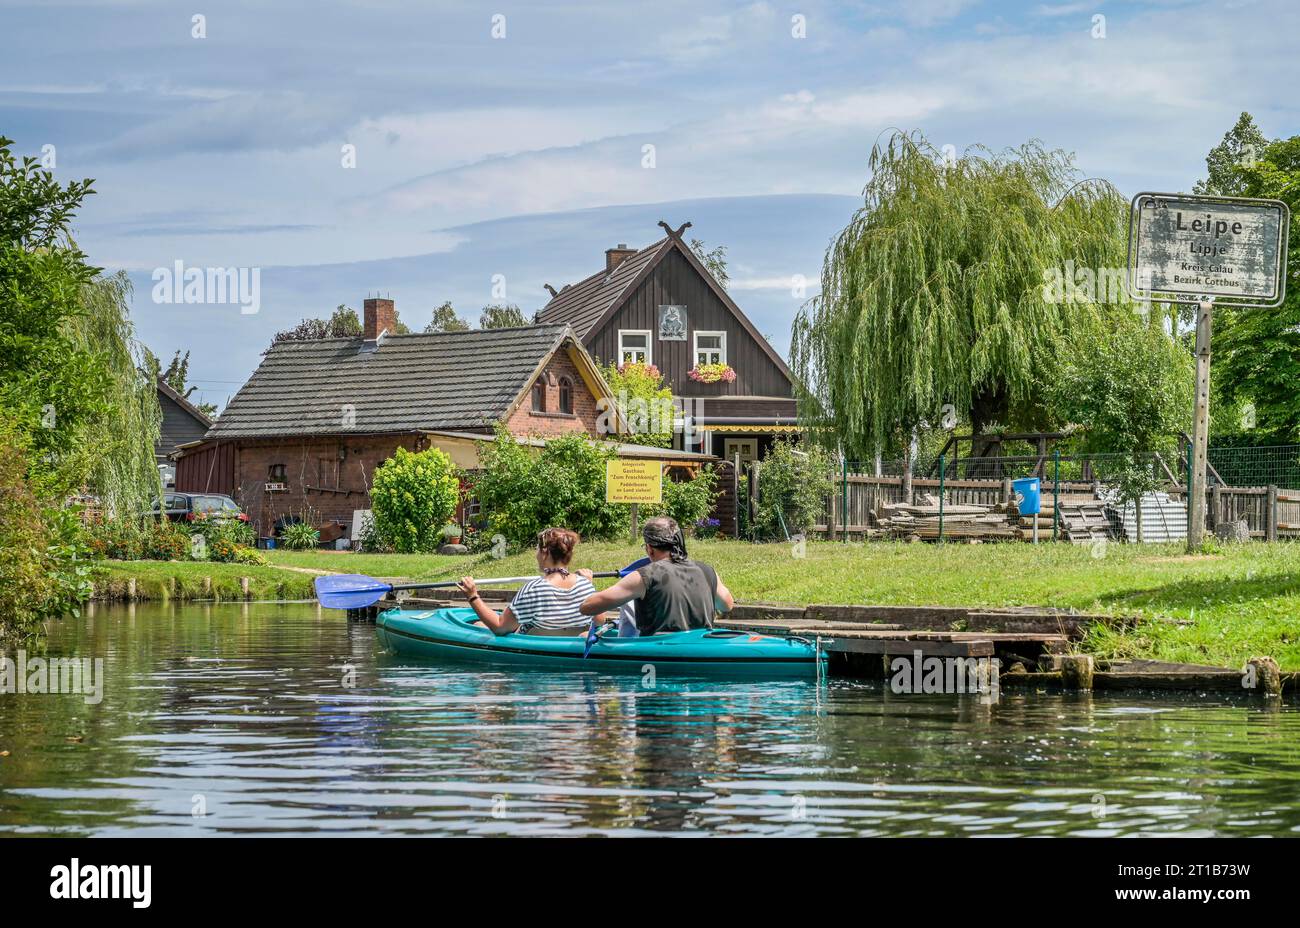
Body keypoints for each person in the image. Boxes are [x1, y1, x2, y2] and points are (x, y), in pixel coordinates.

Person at [579, 516, 733, 635]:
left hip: (658, 654)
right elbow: (727, 605)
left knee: (583, 636)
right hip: (701, 647)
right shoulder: (707, 570)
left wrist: (586, 584)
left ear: (649, 549)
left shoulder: (643, 576)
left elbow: (587, 607)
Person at [457, 527, 595, 636]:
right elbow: (599, 621)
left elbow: (499, 627)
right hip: (570, 648)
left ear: (545, 553)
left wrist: (472, 596)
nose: (536, 555)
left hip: (533, 652)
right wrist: (589, 586)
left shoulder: (534, 589)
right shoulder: (585, 585)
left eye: (537, 550)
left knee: (478, 625)